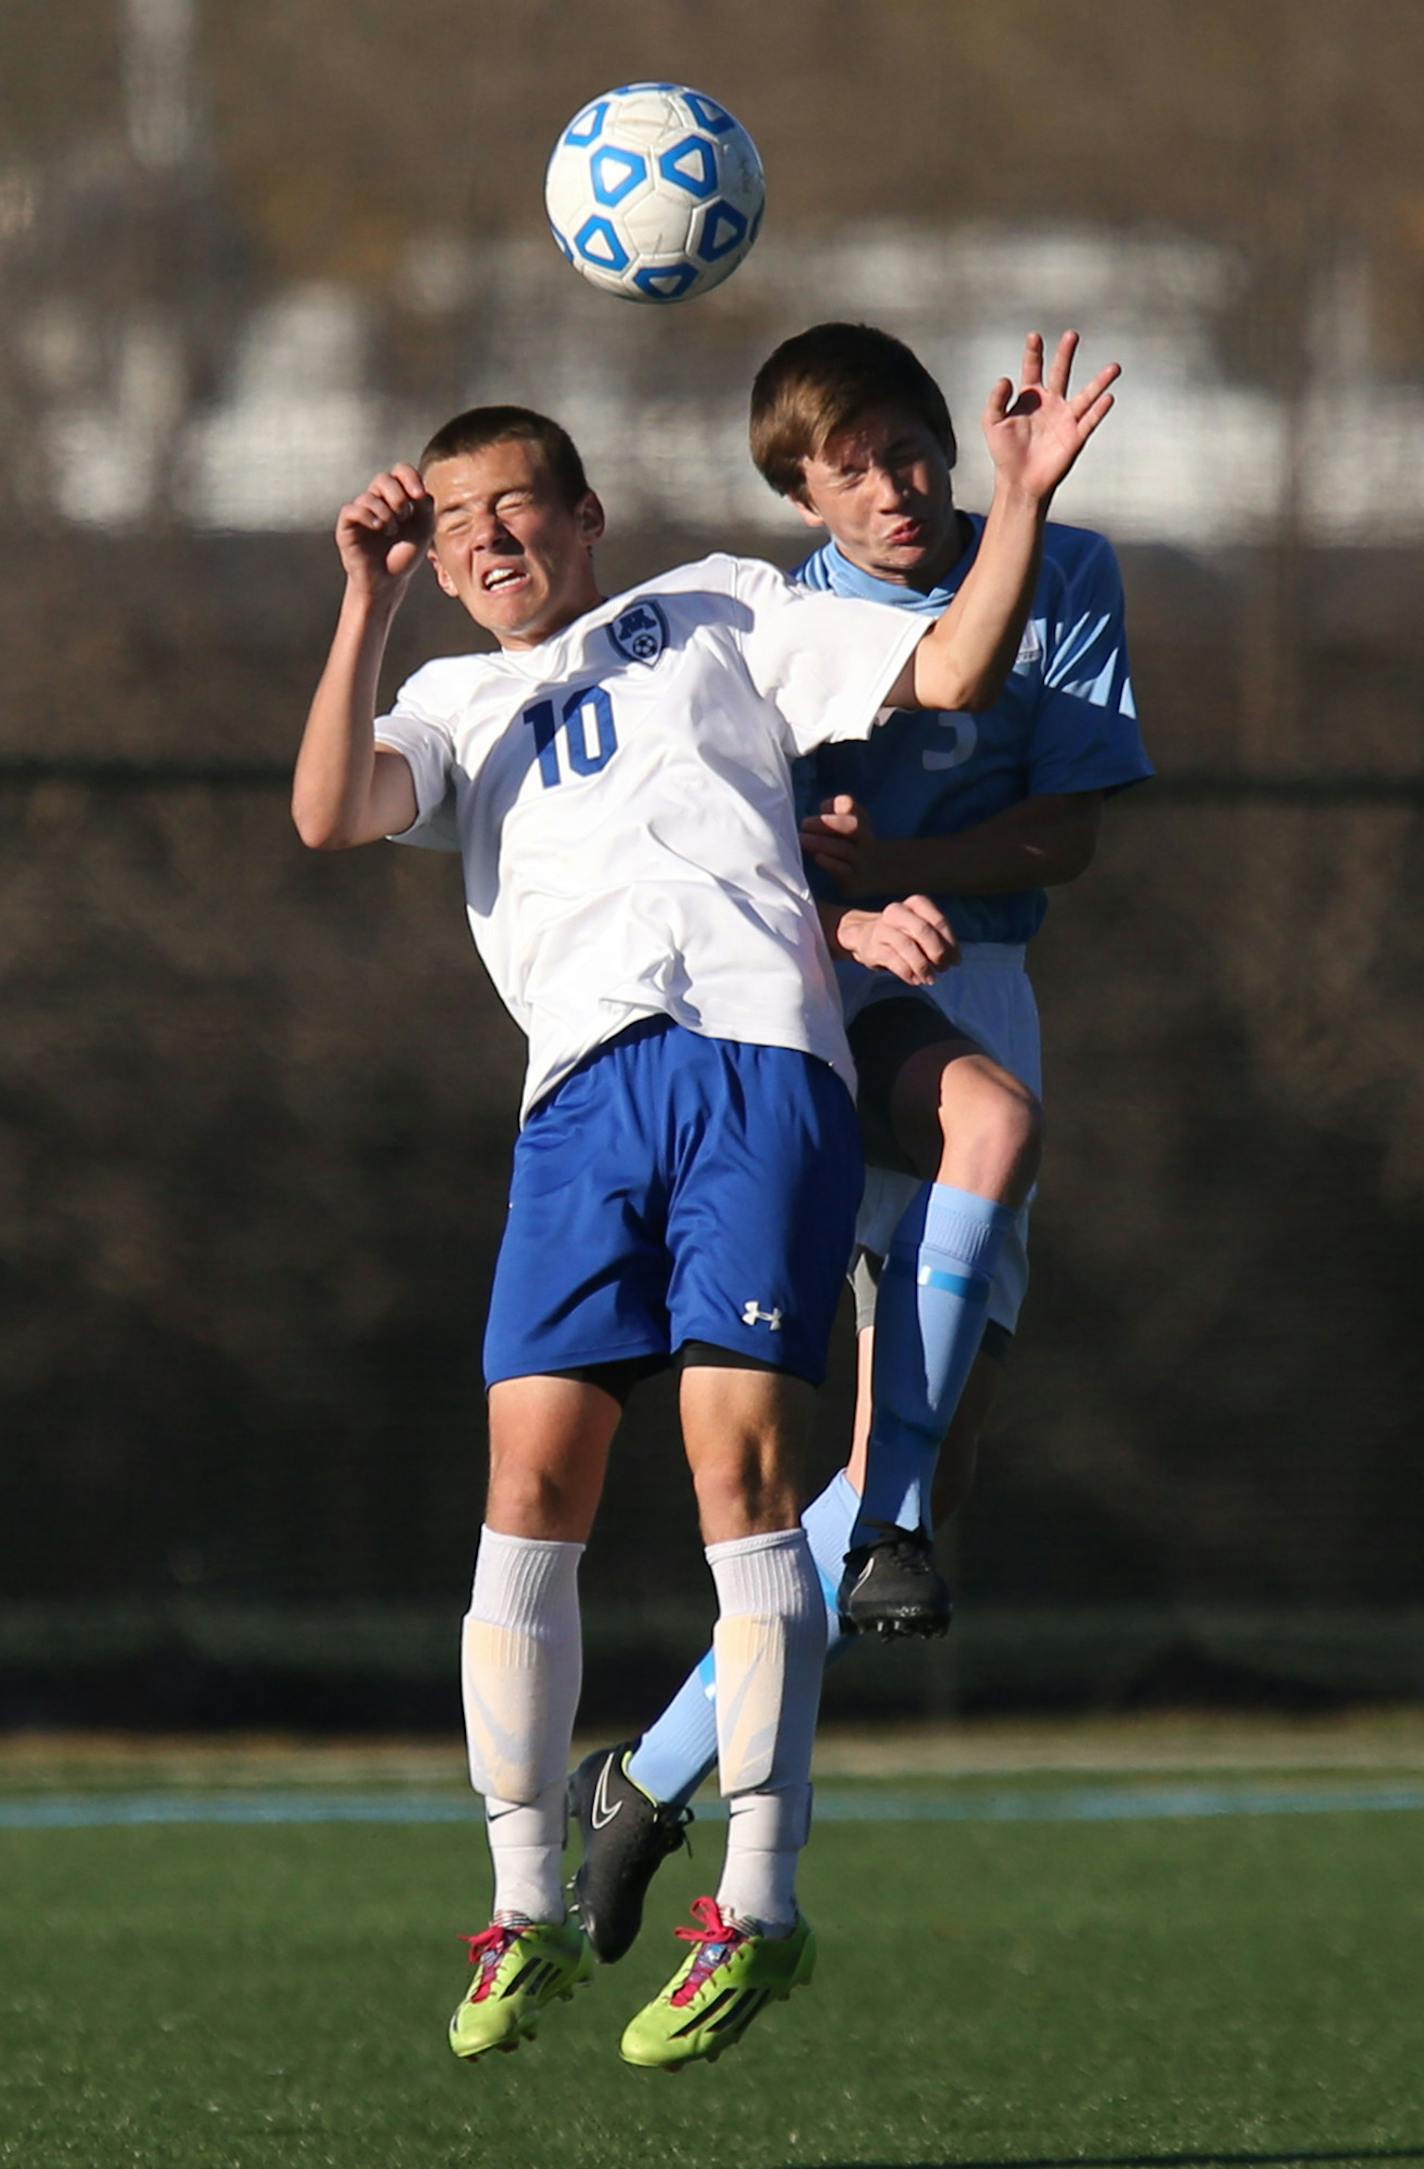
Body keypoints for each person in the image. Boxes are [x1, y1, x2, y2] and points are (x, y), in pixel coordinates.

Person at [291, 333, 1117, 2070]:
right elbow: (325, 813)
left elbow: (950, 675)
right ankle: (520, 1906)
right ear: (431, 554)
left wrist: (1023, 505)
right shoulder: (447, 700)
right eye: (452, 519)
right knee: (530, 1482)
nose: (488, 532)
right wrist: (359, 602)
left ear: (588, 514)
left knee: (738, 1471)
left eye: (519, 498)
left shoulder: (719, 611)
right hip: (578, 1098)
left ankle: (756, 1899)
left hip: (754, 1064)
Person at [570, 321, 1151, 1967]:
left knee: (932, 1462)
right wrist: (843, 905)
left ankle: (648, 1776)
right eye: (854, 467)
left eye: (914, 450)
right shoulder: (776, 625)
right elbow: (743, 847)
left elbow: (1071, 831)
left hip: (983, 976)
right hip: (815, 1015)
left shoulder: (1066, 567)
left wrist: (903, 859)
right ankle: (748, 1802)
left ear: (954, 448)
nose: (896, 486)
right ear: (801, 491)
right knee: (979, 1157)